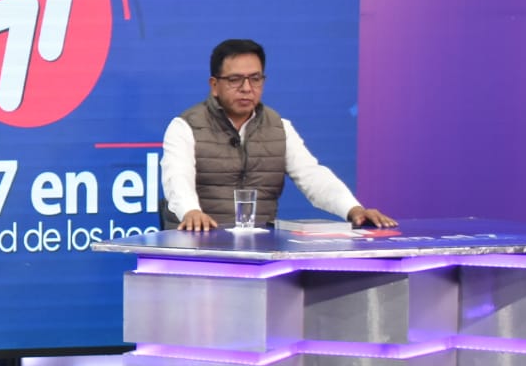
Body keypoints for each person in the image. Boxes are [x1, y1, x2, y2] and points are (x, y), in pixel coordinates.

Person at [160, 39, 398, 232]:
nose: (246, 88)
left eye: (255, 79)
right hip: (199, 244)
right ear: (214, 85)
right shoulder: (185, 126)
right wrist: (191, 211)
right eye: (235, 80)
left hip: (258, 248)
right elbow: (177, 179)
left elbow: (312, 176)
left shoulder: (279, 127)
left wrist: (354, 209)